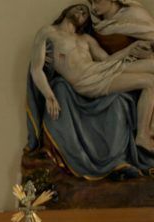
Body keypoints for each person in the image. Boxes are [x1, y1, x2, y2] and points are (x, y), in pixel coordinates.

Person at [31, 4, 154, 148]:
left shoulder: (86, 39)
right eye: (78, 8)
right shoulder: (48, 32)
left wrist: (131, 49)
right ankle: (142, 136)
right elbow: (36, 69)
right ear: (67, 11)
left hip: (100, 69)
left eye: (85, 13)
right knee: (149, 82)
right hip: (88, 81)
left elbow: (108, 60)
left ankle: (151, 127)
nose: (81, 11)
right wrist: (49, 95)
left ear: (85, 22)